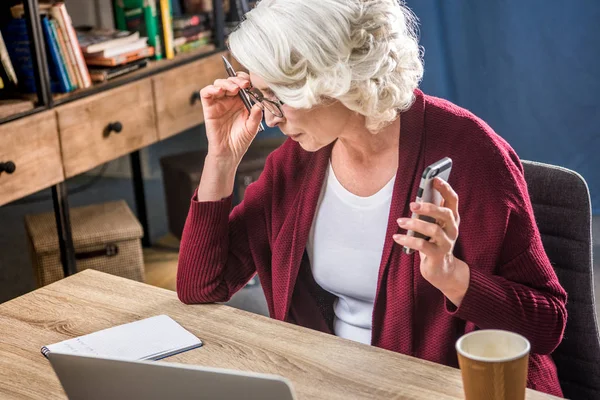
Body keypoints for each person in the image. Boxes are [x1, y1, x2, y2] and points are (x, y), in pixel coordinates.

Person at [176, 0, 567, 396]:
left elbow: (548, 323)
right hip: (333, 382)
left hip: (444, 388)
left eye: (277, 95)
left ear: (336, 80)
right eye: (259, 95)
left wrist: (450, 274)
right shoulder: (297, 164)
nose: (270, 118)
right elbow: (201, 286)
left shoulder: (473, 155)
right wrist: (221, 158)